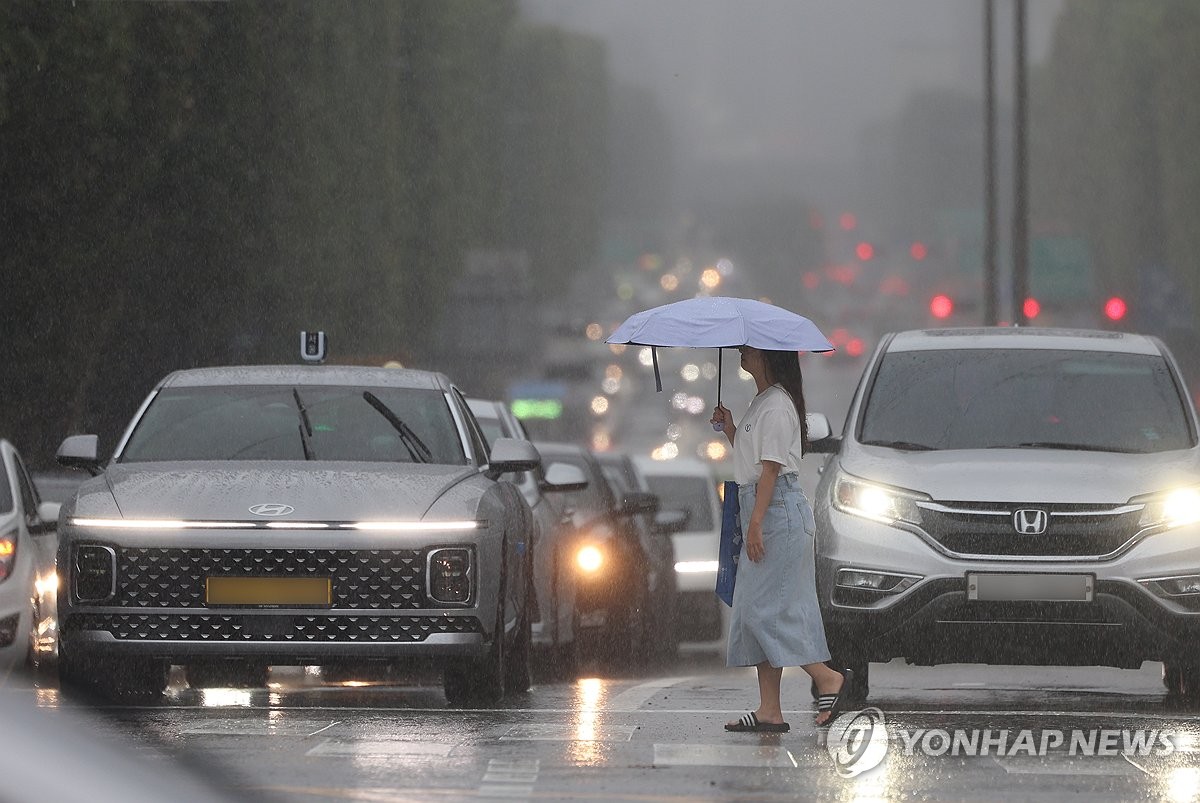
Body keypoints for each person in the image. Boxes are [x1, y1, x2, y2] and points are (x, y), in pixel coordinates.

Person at [710, 345, 850, 732]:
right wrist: (731, 428)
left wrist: (755, 526)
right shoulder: (763, 402)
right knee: (763, 609)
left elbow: (771, 471)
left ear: (768, 356)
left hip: (776, 513)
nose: (741, 351)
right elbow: (753, 461)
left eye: (748, 348)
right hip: (764, 508)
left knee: (764, 612)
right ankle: (769, 709)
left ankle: (826, 677)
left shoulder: (776, 405)